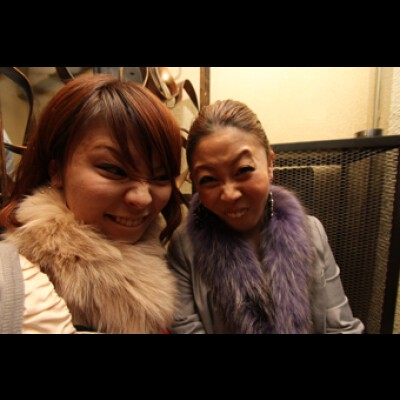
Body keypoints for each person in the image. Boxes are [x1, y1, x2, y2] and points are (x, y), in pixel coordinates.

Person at [0, 74, 183, 334]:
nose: (143, 198)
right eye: (114, 169)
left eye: (161, 176)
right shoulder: (19, 284)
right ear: (57, 170)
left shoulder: (165, 253)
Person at [167, 99, 365, 334]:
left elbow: (342, 327)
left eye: (244, 170)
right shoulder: (184, 247)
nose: (229, 194)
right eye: (208, 179)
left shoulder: (312, 231)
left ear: (270, 164)